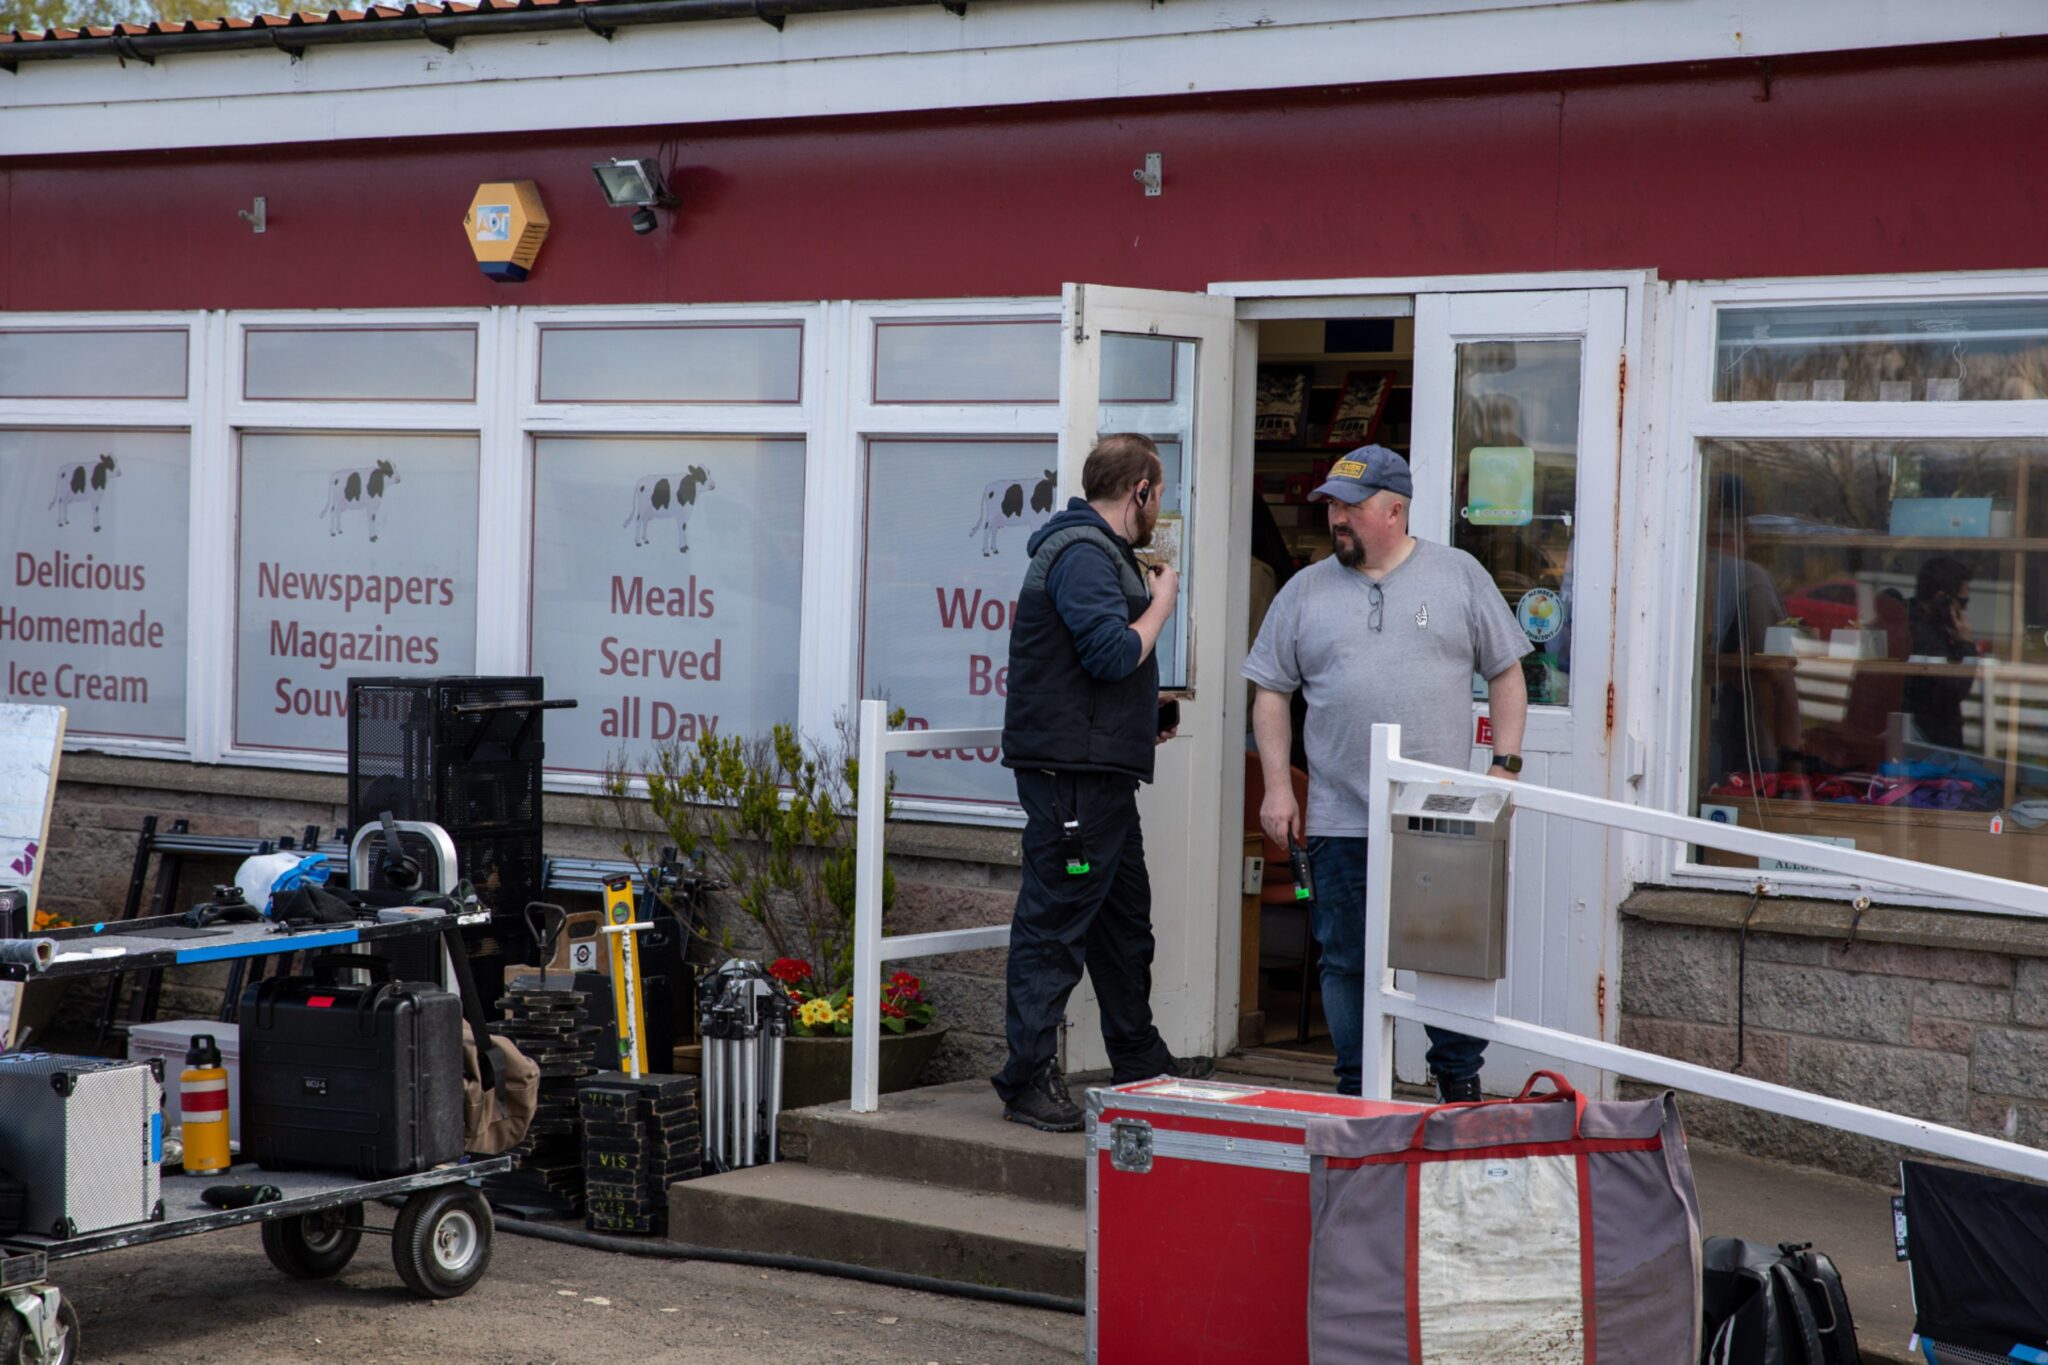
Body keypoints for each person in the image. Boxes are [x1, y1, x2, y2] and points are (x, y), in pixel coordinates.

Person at [1243, 445, 1530, 1102]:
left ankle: (1457, 1083)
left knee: (1448, 957)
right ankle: (1356, 1087)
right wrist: (1282, 788)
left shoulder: (1458, 575)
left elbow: (1507, 670)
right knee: (1345, 958)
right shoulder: (1305, 589)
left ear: (1394, 510)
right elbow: (1269, 690)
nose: (1336, 518)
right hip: (1341, 812)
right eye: (1332, 506)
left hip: (1442, 808)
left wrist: (1503, 767)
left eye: (1350, 506)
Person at [992, 433, 1213, 1132]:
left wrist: (1142, 717)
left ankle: (1138, 1058)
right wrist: (1161, 604)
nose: (1160, 505)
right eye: (1159, 491)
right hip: (1073, 784)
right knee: (1054, 929)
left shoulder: (1093, 551)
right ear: (1140, 491)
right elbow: (1112, 649)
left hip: (1098, 775)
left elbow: (1079, 674)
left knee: (1123, 927)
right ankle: (1026, 1078)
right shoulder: (1085, 554)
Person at [1903, 556, 1978, 751]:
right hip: (1931, 748)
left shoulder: (1922, 624)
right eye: (1963, 602)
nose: (1965, 610)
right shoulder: (1924, 636)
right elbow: (1956, 688)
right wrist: (1967, 645)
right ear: (1942, 599)